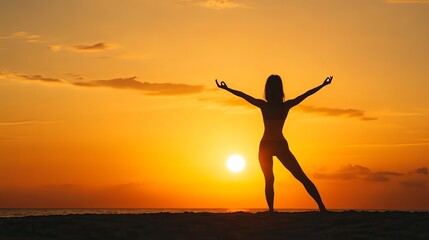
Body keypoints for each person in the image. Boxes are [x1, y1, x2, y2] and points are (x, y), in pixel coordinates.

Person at [216, 75, 333, 213]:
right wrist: (322, 85)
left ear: (267, 90)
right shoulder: (284, 105)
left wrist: (227, 88)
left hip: (269, 145)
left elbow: (243, 96)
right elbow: (305, 94)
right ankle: (320, 207)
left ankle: (275, 210)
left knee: (274, 179)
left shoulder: (265, 105)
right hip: (274, 145)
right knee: (291, 177)